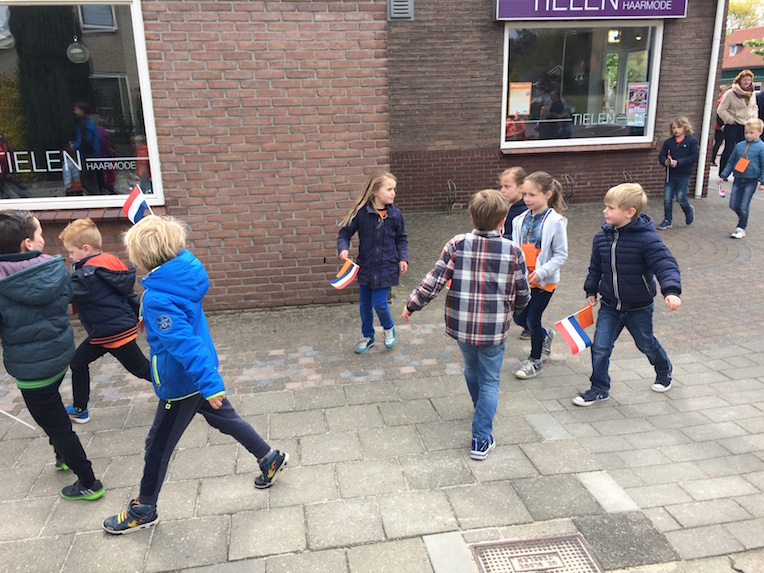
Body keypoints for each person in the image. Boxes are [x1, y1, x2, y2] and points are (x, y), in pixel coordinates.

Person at [103, 216, 288, 534]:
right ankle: (268, 457)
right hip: (197, 375)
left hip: (182, 382)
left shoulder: (159, 297)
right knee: (226, 419)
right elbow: (183, 327)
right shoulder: (182, 274)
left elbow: (184, 344)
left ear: (143, 256)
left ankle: (144, 508)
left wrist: (210, 384)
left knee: (157, 446)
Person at [402, 189, 530, 460]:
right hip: (494, 328)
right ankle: (481, 439)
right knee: (490, 380)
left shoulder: (457, 244)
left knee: (471, 368)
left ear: (472, 216)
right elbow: (523, 291)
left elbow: (434, 280)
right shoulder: (513, 250)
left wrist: (412, 304)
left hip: (463, 326)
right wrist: (513, 312)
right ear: (503, 220)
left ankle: (479, 405)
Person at [0, 210, 104, 500]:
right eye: (40, 233)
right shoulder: (54, 267)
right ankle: (61, 456)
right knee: (53, 409)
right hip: (60, 354)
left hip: (32, 369)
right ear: (28, 243)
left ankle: (89, 482)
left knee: (56, 424)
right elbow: (65, 300)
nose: (43, 238)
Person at [573, 183, 681, 407]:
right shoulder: (601, 237)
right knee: (600, 347)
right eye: (606, 206)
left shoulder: (647, 239)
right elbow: (595, 267)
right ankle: (599, 388)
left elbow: (665, 264)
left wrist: (671, 291)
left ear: (629, 212)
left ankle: (664, 369)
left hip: (639, 307)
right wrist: (590, 289)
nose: (605, 211)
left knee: (645, 343)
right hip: (609, 306)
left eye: (610, 207)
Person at [58, 218, 151, 423]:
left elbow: (66, 294)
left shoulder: (86, 275)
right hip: (111, 329)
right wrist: (137, 314)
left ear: (86, 249)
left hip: (111, 333)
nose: (70, 257)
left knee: (141, 369)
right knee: (78, 362)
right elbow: (128, 293)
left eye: (71, 252)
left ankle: (181, 388)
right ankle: (79, 408)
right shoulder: (109, 262)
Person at [337, 171, 409, 354]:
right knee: (364, 307)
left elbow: (401, 238)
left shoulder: (395, 215)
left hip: (387, 269)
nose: (393, 193)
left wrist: (403, 257)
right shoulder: (361, 213)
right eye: (389, 189)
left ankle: (388, 328)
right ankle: (368, 336)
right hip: (366, 269)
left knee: (379, 303)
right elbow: (344, 233)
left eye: (394, 189)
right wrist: (343, 248)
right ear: (376, 191)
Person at [511, 171, 568, 379]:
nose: (527, 199)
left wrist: (542, 272)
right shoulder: (518, 220)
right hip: (523, 280)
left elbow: (561, 255)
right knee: (519, 317)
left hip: (544, 282)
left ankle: (535, 360)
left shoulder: (556, 221)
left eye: (532, 195)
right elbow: (515, 249)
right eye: (524, 194)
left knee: (533, 318)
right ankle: (545, 335)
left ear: (547, 195)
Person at [718, 117, 764, 239]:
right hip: (738, 179)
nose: (748, 135)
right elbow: (731, 161)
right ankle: (743, 217)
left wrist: (762, 182)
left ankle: (741, 227)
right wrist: (723, 175)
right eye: (746, 132)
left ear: (760, 132)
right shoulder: (739, 146)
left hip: (751, 180)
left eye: (751, 133)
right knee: (733, 204)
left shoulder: (761, 147)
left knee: (744, 205)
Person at [498, 166, 530, 339]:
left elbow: (522, 237)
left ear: (521, 187)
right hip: (506, 258)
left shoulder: (524, 210)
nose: (502, 190)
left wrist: (504, 237)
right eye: (501, 186)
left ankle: (532, 327)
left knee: (522, 299)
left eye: (507, 186)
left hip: (520, 259)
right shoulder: (506, 206)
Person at [656, 116, 699, 230]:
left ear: (685, 127)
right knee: (667, 198)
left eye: (679, 127)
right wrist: (665, 161)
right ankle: (667, 220)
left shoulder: (692, 141)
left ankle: (688, 210)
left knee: (680, 197)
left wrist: (679, 162)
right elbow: (662, 155)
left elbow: (694, 156)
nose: (676, 130)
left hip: (684, 174)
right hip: (670, 174)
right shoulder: (669, 142)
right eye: (674, 128)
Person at [717, 70, 759, 173]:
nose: (747, 82)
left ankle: (740, 172)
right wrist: (731, 120)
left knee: (745, 150)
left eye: (749, 80)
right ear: (739, 80)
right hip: (733, 125)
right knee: (729, 149)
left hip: (747, 126)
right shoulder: (731, 93)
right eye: (745, 80)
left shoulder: (752, 93)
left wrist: (754, 120)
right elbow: (721, 110)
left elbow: (754, 107)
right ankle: (723, 172)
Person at [70, 102, 101, 196]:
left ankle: (95, 195)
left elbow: (85, 140)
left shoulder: (83, 123)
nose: (74, 111)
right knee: (92, 178)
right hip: (93, 153)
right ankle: (96, 196)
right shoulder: (89, 122)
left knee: (84, 179)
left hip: (87, 153)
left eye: (76, 109)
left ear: (82, 110)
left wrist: (75, 145)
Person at [711, 85, 727, 166]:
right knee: (718, 142)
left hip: (716, 125)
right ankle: (712, 159)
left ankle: (712, 159)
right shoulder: (721, 101)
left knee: (717, 142)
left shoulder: (717, 101)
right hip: (719, 126)